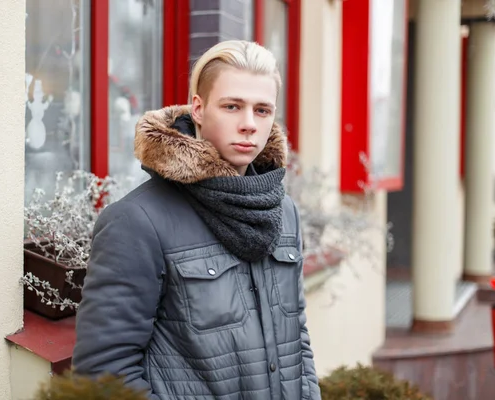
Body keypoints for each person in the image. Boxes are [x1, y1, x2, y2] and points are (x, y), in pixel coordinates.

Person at [72, 40, 322, 400]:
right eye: (232, 106)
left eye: (263, 110)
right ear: (199, 109)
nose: (249, 124)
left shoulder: (284, 213)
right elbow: (102, 375)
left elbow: (296, 340)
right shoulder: (136, 222)